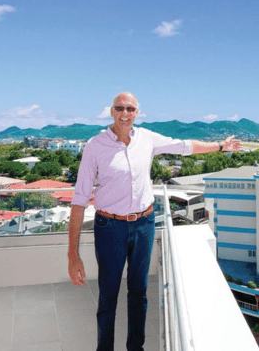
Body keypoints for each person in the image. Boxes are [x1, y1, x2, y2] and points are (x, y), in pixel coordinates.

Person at [68, 92, 242, 351]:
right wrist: (73, 254)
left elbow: (185, 146)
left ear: (137, 113)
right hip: (110, 228)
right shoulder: (95, 145)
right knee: (108, 297)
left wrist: (220, 146)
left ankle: (135, 348)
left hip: (143, 225)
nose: (125, 113)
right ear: (111, 111)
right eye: (120, 108)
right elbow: (80, 199)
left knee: (138, 294)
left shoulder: (147, 139)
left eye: (131, 109)